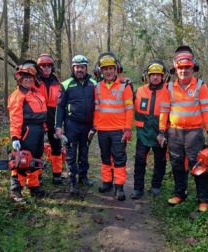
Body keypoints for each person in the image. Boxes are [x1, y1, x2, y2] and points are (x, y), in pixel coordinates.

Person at [158, 46, 208, 212]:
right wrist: (162, 131)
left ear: (193, 68)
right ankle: (180, 194)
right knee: (176, 164)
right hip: (174, 132)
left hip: (194, 133)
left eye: (187, 68)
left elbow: (206, 111)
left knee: (198, 166)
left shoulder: (200, 86)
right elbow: (164, 111)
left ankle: (203, 199)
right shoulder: (168, 87)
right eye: (180, 68)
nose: (184, 71)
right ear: (176, 69)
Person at [91, 52, 134, 201]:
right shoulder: (97, 87)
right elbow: (97, 109)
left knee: (119, 158)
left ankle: (119, 187)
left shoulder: (124, 86)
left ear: (116, 69)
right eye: (105, 69)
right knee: (104, 157)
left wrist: (127, 128)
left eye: (111, 68)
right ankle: (107, 182)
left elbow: (129, 109)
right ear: (100, 71)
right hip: (102, 130)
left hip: (118, 130)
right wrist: (95, 126)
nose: (108, 71)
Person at [55, 55, 97, 195]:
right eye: (77, 67)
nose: (80, 70)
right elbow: (60, 107)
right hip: (71, 124)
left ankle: (83, 177)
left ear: (86, 68)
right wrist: (58, 126)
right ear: (73, 68)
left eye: (82, 67)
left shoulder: (94, 84)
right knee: (71, 153)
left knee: (84, 152)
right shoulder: (66, 84)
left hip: (88, 126)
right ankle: (72, 181)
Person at [8, 61, 48, 202]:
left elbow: (42, 114)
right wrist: (15, 137)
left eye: (30, 77)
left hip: (38, 131)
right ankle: (16, 190)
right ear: (20, 79)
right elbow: (15, 118)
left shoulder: (36, 94)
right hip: (26, 131)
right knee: (22, 161)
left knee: (36, 159)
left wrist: (45, 129)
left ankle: (33, 185)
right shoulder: (17, 96)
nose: (28, 79)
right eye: (25, 77)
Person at [130, 60, 170, 200]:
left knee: (160, 161)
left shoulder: (169, 91)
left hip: (161, 133)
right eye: (152, 74)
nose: (155, 77)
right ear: (147, 76)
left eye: (158, 75)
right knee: (140, 161)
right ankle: (137, 188)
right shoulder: (140, 91)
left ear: (163, 76)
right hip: (143, 133)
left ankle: (156, 186)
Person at [36, 54, 64, 185]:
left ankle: (57, 174)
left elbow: (62, 103)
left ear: (52, 67)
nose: (46, 68)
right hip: (37, 118)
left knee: (56, 146)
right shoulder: (34, 82)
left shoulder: (58, 83)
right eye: (43, 66)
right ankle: (37, 175)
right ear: (39, 67)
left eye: (48, 66)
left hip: (53, 118)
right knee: (36, 147)